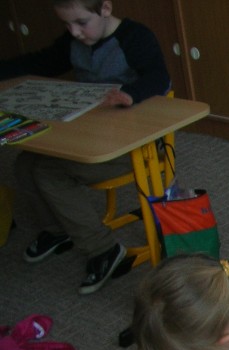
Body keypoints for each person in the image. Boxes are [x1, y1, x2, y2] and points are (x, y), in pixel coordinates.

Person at [0, 0, 171, 294]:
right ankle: (57, 229)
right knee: (25, 164)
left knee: (48, 172)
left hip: (135, 146)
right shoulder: (75, 40)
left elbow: (159, 77)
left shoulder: (135, 37)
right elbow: (40, 62)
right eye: (67, 25)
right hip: (90, 135)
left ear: (105, 9)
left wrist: (131, 94)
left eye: (81, 23)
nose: (75, 32)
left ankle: (103, 249)